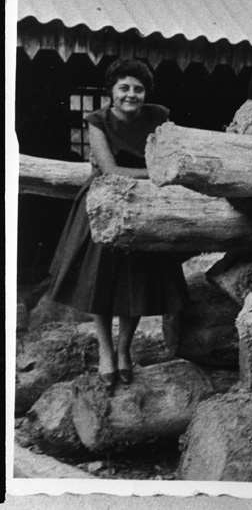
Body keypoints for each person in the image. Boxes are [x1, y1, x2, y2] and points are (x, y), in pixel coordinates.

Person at [47, 58, 189, 390]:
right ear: (111, 91)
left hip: (144, 206)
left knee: (136, 282)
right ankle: (104, 349)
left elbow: (171, 156)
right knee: (100, 281)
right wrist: (154, 173)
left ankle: (124, 349)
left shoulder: (159, 117)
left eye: (138, 89)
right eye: (123, 88)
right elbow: (110, 171)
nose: (131, 95)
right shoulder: (98, 121)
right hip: (103, 204)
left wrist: (157, 173)